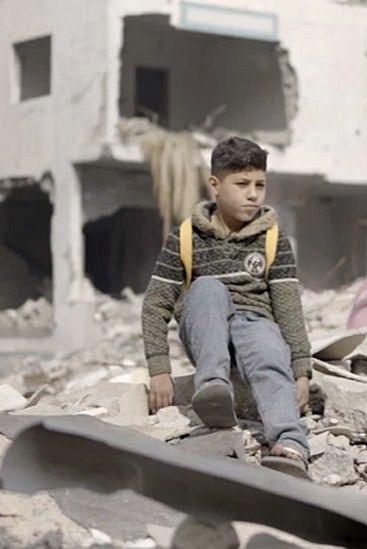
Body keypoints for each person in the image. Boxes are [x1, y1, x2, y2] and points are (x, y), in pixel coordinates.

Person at [141, 136, 311, 475]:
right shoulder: (187, 237)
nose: (253, 194)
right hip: (207, 331)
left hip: (254, 325)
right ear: (215, 186)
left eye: (260, 185)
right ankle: (214, 390)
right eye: (242, 184)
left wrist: (302, 370)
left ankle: (290, 444)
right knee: (206, 288)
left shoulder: (273, 239)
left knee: (266, 348)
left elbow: (289, 307)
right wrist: (159, 369)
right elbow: (157, 303)